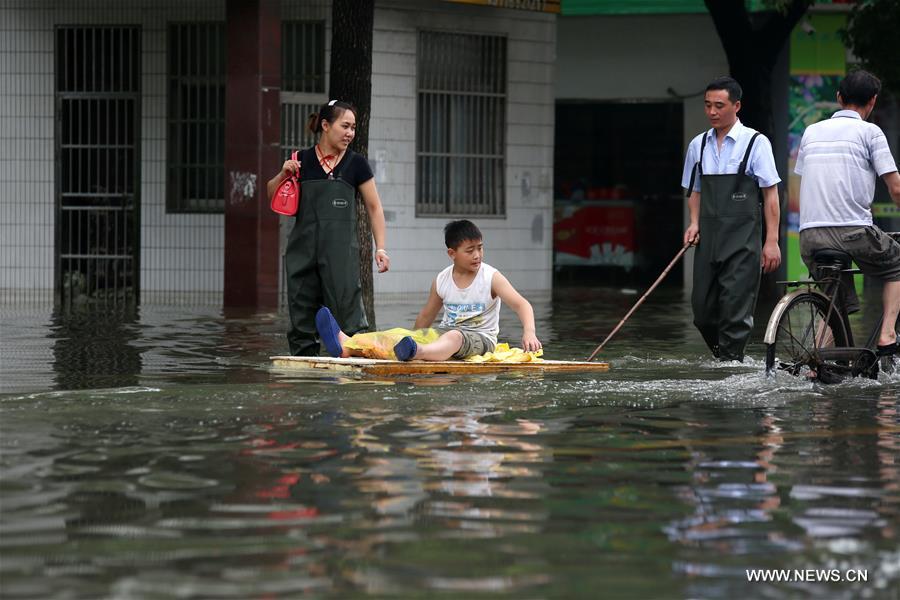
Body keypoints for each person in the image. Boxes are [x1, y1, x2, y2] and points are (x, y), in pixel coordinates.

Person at [314, 219, 543, 361]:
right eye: (470, 250)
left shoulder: (491, 277)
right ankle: (347, 345)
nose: (477, 255)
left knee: (453, 336)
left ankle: (417, 353)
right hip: (445, 333)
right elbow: (426, 316)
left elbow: (522, 305)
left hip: (481, 340)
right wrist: (410, 336)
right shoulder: (442, 279)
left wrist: (529, 332)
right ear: (452, 253)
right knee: (397, 334)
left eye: (480, 248)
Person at [267, 100, 390, 356]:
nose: (350, 133)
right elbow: (271, 197)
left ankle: (354, 363)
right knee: (301, 314)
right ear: (325, 125)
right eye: (345, 126)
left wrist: (382, 248)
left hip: (341, 255)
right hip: (302, 253)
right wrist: (282, 174)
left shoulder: (356, 164)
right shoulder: (299, 160)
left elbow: (375, 207)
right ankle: (305, 365)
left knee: (349, 314)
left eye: (353, 127)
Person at [795, 70, 900, 357]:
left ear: (839, 98)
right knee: (897, 264)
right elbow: (896, 188)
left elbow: (806, 176)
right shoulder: (870, 132)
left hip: (809, 237)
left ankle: (820, 357)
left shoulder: (811, 131)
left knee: (833, 302)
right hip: (852, 231)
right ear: (873, 101)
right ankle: (888, 335)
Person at [681, 76, 782, 362]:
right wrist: (694, 222)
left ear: (736, 106)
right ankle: (727, 359)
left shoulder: (755, 143)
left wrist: (771, 241)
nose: (712, 112)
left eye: (719, 106)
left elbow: (771, 195)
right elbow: (695, 190)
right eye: (707, 105)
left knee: (734, 311)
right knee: (702, 311)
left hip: (743, 242)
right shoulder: (698, 146)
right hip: (709, 240)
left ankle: (730, 364)